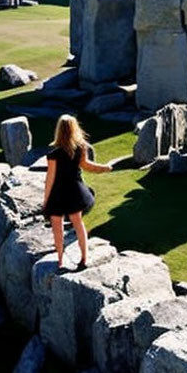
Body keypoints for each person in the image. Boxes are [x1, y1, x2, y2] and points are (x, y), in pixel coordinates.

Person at [42, 114, 112, 270]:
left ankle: (60, 261)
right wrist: (104, 168)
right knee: (78, 223)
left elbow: (50, 179)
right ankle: (84, 259)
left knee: (57, 227)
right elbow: (87, 166)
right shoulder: (81, 149)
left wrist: (46, 201)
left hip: (59, 193)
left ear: (59, 130)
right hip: (76, 190)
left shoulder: (54, 154)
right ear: (75, 129)